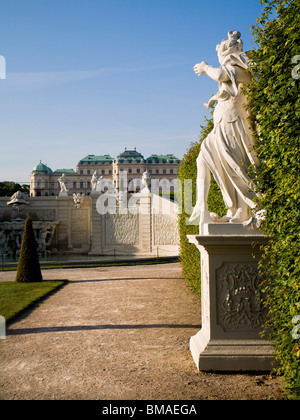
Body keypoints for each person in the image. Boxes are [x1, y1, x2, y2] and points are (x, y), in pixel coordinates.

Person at [190, 31, 260, 231]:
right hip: (221, 125)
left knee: (235, 165)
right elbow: (225, 88)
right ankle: (202, 205)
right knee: (202, 157)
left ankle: (242, 209)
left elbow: (221, 75)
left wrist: (205, 68)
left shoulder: (238, 71)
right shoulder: (232, 74)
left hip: (233, 125)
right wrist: (214, 99)